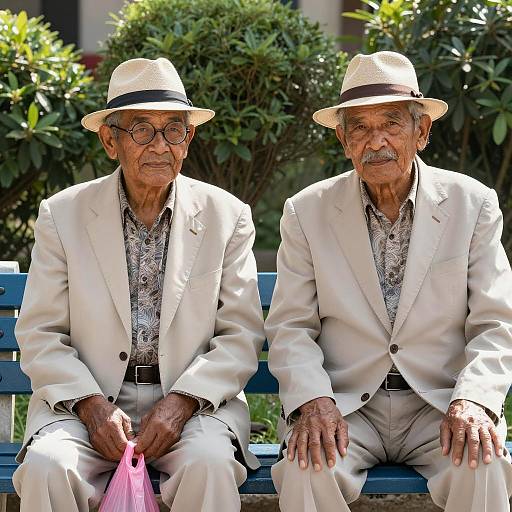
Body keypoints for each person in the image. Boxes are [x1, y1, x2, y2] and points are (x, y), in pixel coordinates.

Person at [13, 57, 265, 512]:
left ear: (188, 139)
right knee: (48, 465)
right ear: (111, 140)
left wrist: (182, 402)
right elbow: (39, 334)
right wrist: (90, 406)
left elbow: (241, 335)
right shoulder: (63, 215)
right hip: (84, 400)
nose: (160, 145)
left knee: (209, 464)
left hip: (194, 404)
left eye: (174, 129)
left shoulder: (227, 216)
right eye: (142, 130)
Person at [265, 51, 512, 512]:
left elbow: (496, 323)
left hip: (438, 405)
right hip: (344, 408)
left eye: (392, 123)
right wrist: (314, 400)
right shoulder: (306, 211)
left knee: (483, 463)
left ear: (421, 131)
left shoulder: (472, 204)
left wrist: (475, 400)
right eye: (359, 126)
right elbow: (290, 327)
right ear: (343, 140)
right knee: (306, 465)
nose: (375, 141)